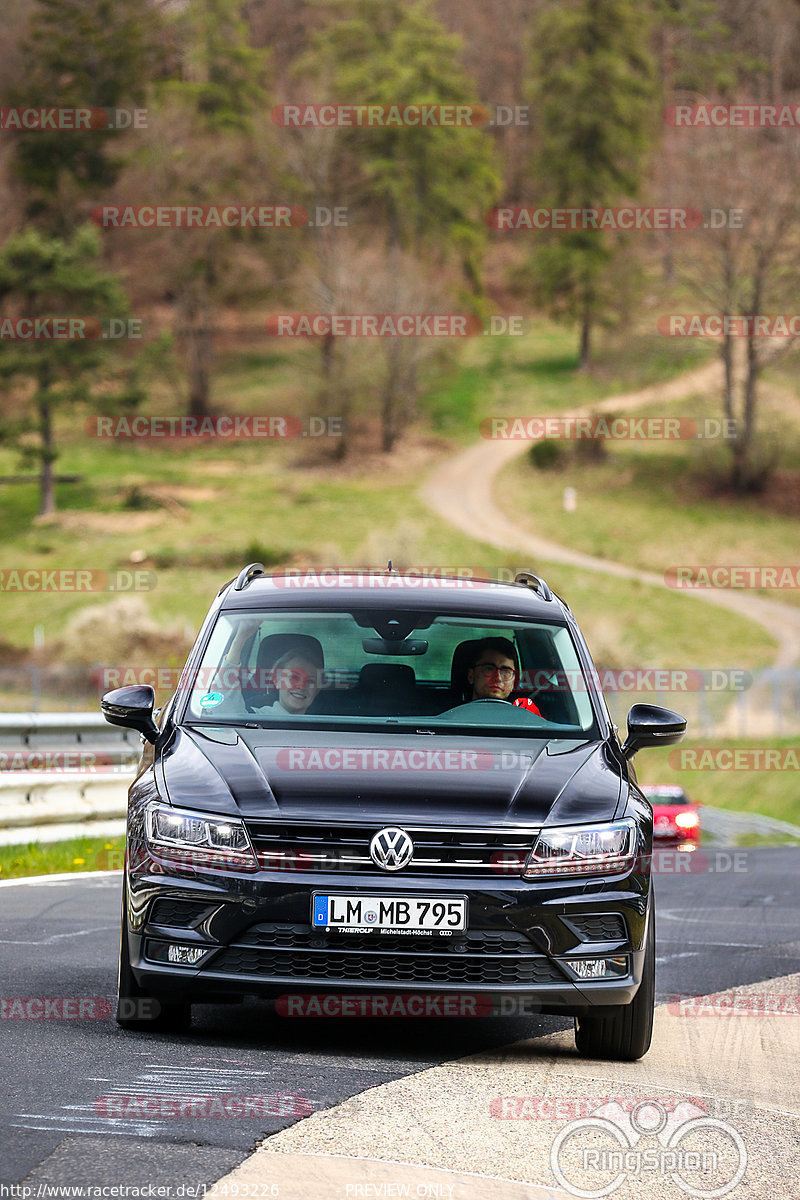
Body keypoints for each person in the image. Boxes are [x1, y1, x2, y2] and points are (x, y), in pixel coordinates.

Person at [466, 637, 541, 715]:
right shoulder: (453, 717)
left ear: (514, 681)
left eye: (506, 672)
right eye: (489, 669)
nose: (498, 678)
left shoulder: (525, 713)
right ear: (471, 676)